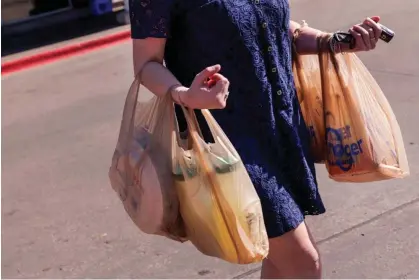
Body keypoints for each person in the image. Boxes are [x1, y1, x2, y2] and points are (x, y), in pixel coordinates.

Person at [128, 0, 382, 278]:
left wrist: (333, 42)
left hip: (280, 129)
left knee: (280, 264)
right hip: (227, 146)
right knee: (304, 263)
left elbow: (274, 28)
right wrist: (185, 94)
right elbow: (146, 64)